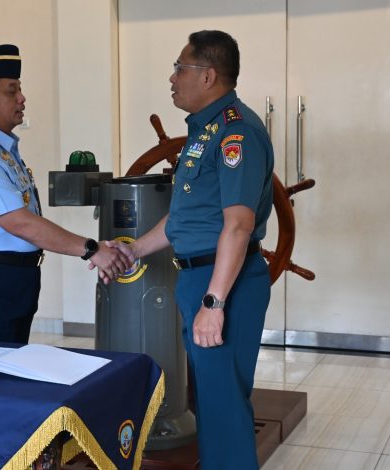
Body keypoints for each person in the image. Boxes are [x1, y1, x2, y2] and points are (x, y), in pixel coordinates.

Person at [114, 31, 274, 469]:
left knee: (224, 406)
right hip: (200, 277)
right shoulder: (205, 131)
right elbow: (188, 216)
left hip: (223, 282)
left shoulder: (236, 132)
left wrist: (214, 303)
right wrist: (134, 250)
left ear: (208, 76)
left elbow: (238, 225)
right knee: (212, 402)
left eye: (179, 68)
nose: (172, 78)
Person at [0, 44, 131, 344]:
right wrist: (92, 249)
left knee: (11, 363)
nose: (22, 98)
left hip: (10, 276)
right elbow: (19, 222)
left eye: (20, 89)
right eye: (11, 91)